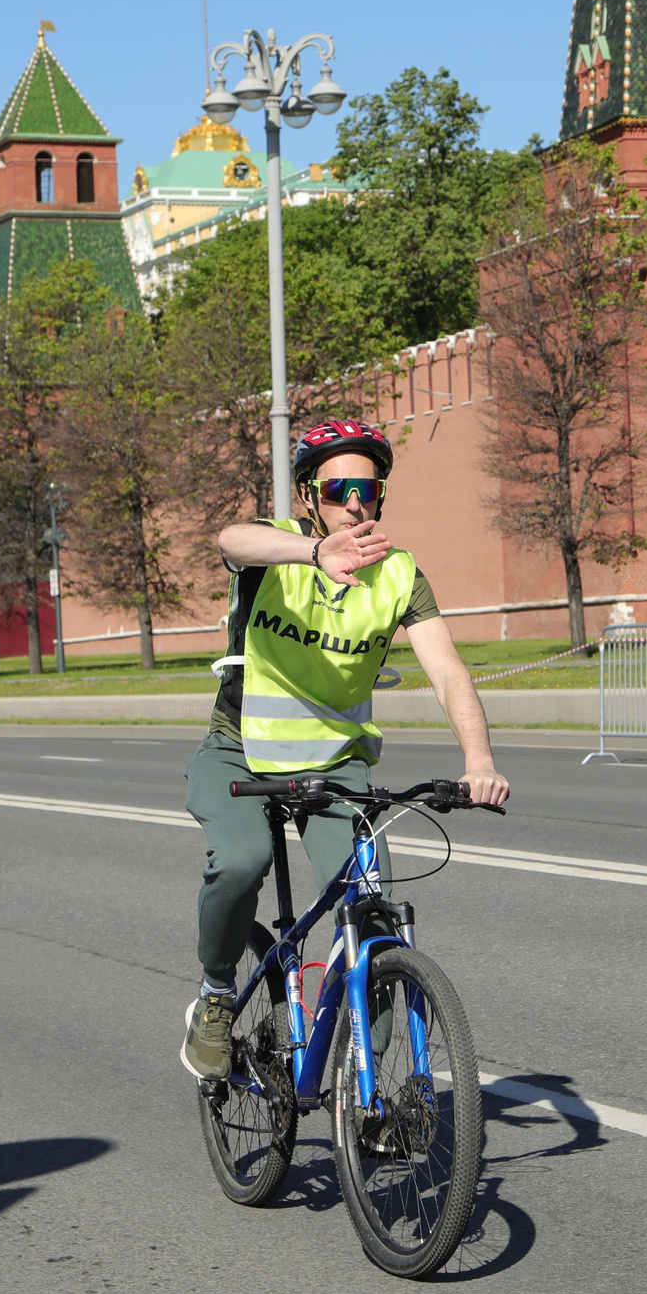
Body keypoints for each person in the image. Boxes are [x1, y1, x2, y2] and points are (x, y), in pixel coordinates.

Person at [181, 419, 511, 1079]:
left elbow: (448, 671)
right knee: (241, 858)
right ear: (310, 496)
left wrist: (478, 762)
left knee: (374, 914)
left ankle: (371, 1096)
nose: (355, 501)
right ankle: (218, 997)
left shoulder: (399, 575)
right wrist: (311, 553)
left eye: (368, 487)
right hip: (240, 752)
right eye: (338, 488)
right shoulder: (276, 549)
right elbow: (228, 538)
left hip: (335, 766)